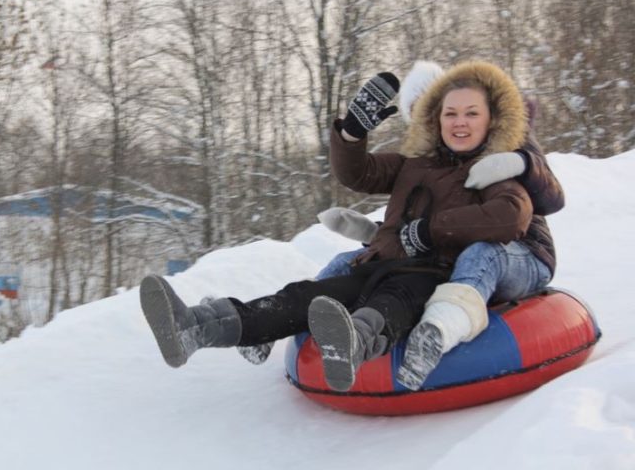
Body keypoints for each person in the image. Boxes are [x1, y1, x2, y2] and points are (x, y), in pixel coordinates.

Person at [140, 61, 554, 394]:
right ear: (435, 118)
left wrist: (430, 231)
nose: (459, 122)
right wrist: (353, 133)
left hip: (430, 273)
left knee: (392, 303)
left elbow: (510, 216)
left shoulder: (494, 169)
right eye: (450, 113)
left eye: (470, 113)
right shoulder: (414, 163)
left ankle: (352, 346)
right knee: (302, 296)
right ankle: (195, 327)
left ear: (491, 120)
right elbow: (359, 174)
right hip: (378, 263)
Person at [238, 61, 564, 368]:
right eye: (416, 112)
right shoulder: (432, 157)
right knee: (347, 262)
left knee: (477, 258)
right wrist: (375, 234)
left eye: (429, 106)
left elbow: (540, 202)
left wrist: (522, 162)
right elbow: (424, 211)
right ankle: (275, 325)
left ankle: (436, 328)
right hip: (450, 244)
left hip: (516, 249)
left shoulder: (503, 136)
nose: (439, 121)